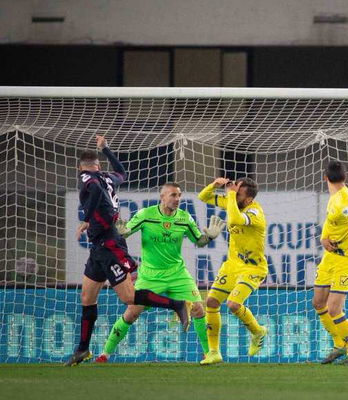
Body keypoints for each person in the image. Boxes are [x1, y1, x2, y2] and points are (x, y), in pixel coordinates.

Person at [65, 135, 190, 366]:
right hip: (99, 246)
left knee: (128, 297)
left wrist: (88, 219)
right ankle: (82, 349)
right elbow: (123, 173)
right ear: (99, 165)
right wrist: (107, 149)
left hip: (109, 244)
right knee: (87, 297)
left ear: (80, 167)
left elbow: (95, 193)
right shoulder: (107, 177)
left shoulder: (87, 179)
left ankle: (177, 304)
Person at [95, 183, 225, 362]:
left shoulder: (185, 218)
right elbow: (125, 232)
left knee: (198, 309)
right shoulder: (146, 215)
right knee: (132, 312)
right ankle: (105, 353)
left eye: (179, 195)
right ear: (162, 197)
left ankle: (209, 353)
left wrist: (209, 236)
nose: (177, 199)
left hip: (177, 273)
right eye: (173, 195)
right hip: (150, 276)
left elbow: (199, 241)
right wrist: (121, 233)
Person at [198, 177, 268, 365]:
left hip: (253, 267)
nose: (233, 193)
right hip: (232, 265)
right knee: (211, 301)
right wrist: (215, 185)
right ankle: (214, 353)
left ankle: (258, 331)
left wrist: (229, 195)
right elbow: (203, 196)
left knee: (233, 304)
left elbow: (236, 218)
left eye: (238, 193)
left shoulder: (255, 211)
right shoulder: (233, 201)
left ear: (247, 199)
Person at [313, 161, 348, 366]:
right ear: (344, 177)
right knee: (318, 303)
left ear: (325, 178)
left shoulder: (345, 202)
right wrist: (323, 238)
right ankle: (339, 344)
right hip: (330, 257)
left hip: (346, 260)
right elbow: (331, 222)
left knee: (334, 309)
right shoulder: (335, 197)